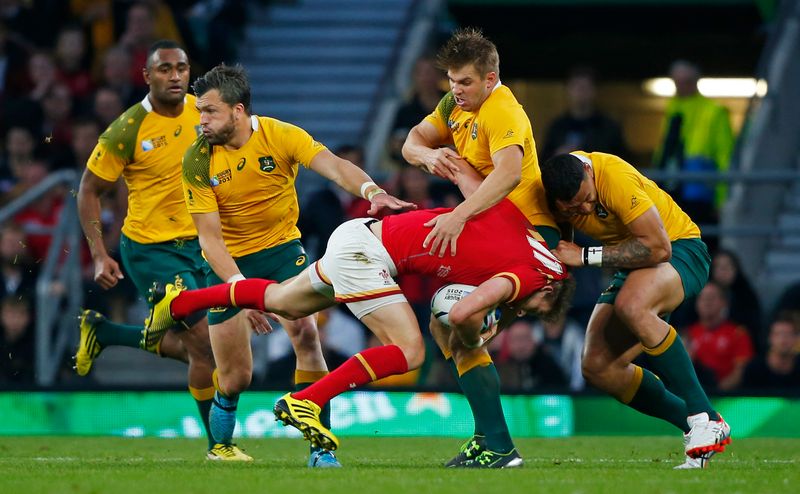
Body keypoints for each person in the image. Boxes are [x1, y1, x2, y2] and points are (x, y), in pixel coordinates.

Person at [143, 171, 573, 469]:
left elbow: (465, 175)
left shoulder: (517, 222)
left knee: (282, 301)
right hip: (369, 256)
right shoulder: (530, 275)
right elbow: (461, 312)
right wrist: (475, 331)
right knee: (410, 352)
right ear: (548, 290)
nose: (517, 308)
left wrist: (433, 158)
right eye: (527, 307)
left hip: (360, 235)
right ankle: (305, 401)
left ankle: (180, 304)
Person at [177, 63, 414, 468]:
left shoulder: (279, 135)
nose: (201, 121)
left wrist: (372, 190)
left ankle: (321, 448)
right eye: (200, 111)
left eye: (210, 111)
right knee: (236, 378)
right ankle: (221, 446)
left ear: (238, 111)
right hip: (226, 263)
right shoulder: (197, 160)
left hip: (283, 251)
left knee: (306, 334)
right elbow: (209, 239)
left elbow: (335, 165)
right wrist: (241, 289)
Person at [75, 40, 245, 461]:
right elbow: (89, 191)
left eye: (182, 68)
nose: (175, 76)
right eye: (165, 69)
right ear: (147, 76)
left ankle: (107, 332)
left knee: (201, 348)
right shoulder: (127, 128)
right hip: (152, 251)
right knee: (205, 346)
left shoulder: (204, 113)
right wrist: (99, 253)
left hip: (202, 245)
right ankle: (217, 446)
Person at [400, 27, 562, 466]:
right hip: (492, 232)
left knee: (460, 323)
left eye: (466, 82)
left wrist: (458, 214)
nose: (456, 90)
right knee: (444, 329)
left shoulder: (503, 110)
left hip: (528, 237)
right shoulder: (454, 104)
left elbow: (508, 174)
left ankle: (498, 445)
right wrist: (428, 156)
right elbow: (411, 140)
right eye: (451, 81)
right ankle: (491, 441)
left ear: (490, 79)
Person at [540, 151, 731, 469]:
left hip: (680, 249)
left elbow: (658, 248)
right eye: (573, 209)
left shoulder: (613, 177)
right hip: (632, 265)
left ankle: (706, 416)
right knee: (598, 366)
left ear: (588, 172)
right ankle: (695, 426)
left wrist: (586, 256)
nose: (585, 209)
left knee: (633, 306)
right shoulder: (551, 197)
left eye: (587, 199)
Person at [652, 60, 734, 228]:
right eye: (678, 82)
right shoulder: (672, 108)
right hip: (673, 192)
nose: (682, 86)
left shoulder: (714, 112)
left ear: (696, 81)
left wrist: (721, 198)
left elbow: (725, 157)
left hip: (700, 195)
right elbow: (664, 151)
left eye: (686, 81)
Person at [541, 66, 628, 161]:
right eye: (576, 86)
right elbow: (543, 161)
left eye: (585, 87)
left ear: (594, 91)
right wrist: (557, 157)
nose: (581, 92)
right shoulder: (557, 127)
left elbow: (622, 161)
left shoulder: (609, 127)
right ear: (568, 90)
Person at [684, 281, 754, 390]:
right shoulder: (688, 333)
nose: (707, 302)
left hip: (725, 397)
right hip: (694, 394)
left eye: (711, 298)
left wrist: (717, 392)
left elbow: (740, 373)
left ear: (724, 303)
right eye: (702, 298)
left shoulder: (738, 334)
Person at [740, 314, 800, 390]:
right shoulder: (753, 369)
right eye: (778, 334)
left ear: (796, 338)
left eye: (788, 334)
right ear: (770, 338)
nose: (783, 340)